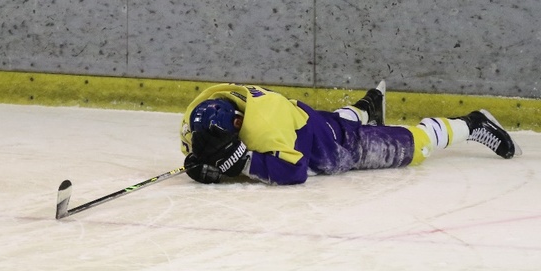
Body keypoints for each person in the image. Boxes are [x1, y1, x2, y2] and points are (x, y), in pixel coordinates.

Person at [180, 81, 521, 185]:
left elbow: (295, 171)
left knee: (416, 145)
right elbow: (204, 145)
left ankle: (472, 123)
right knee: (336, 121)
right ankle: (368, 106)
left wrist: (241, 165)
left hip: (339, 146)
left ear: (240, 123)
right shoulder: (205, 111)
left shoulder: (263, 125)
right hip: (309, 122)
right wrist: (201, 162)